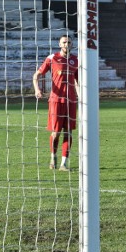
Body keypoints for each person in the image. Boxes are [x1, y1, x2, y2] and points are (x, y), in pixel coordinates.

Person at [33, 35, 79, 171]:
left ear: (72, 44)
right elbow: (36, 76)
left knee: (69, 132)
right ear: (60, 44)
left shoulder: (75, 60)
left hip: (71, 101)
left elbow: (78, 82)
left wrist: (80, 97)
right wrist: (37, 89)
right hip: (56, 101)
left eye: (69, 42)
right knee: (56, 132)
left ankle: (63, 164)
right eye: (64, 42)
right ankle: (53, 157)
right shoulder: (52, 58)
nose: (67, 44)